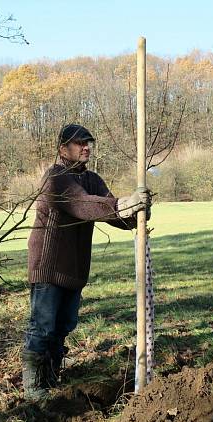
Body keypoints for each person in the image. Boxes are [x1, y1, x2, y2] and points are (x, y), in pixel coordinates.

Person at [23, 124, 150, 401]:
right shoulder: (55, 178)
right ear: (62, 149)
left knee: (64, 325)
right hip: (49, 264)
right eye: (79, 143)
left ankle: (51, 377)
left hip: (74, 268)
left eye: (88, 143)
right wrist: (122, 205)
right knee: (43, 326)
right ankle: (34, 389)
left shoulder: (92, 179)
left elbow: (109, 209)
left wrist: (136, 213)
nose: (86, 147)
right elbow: (83, 204)